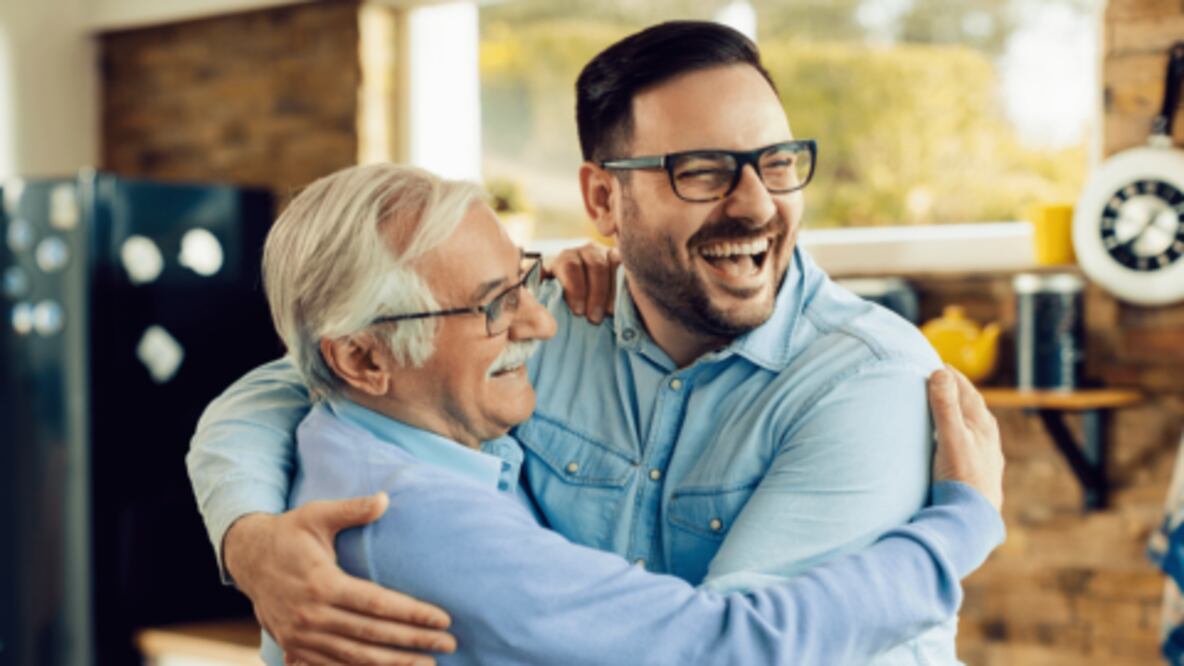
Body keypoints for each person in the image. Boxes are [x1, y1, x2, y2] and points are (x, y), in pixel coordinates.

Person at [188, 21, 1003, 665]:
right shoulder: (511, 341)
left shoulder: (869, 381)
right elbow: (288, 382)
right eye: (702, 170)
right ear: (602, 199)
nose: (757, 205)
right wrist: (251, 539)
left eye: (777, 163)